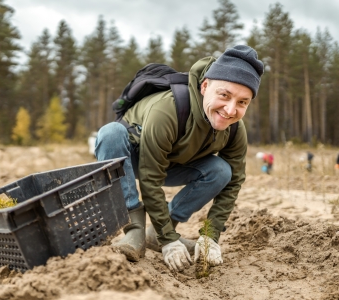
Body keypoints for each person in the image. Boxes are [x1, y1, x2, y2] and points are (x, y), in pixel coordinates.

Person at [95, 45, 264, 272]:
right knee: (110, 133)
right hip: (134, 159)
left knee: (222, 170)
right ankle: (134, 230)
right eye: (224, 95)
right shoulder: (168, 109)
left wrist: (210, 236)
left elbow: (233, 183)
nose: (231, 110)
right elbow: (149, 177)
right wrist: (170, 241)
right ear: (205, 87)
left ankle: (156, 233)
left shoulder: (234, 129)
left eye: (242, 102)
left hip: (175, 164)